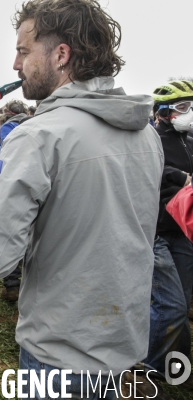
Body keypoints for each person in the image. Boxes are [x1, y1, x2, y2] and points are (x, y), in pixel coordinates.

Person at [0, 0, 163, 398]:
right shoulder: (147, 134)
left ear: (61, 55)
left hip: (59, 355)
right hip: (126, 347)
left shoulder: (36, 136)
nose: (14, 64)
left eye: (23, 51)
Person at [144, 81, 193, 384]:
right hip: (156, 231)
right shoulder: (149, 137)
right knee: (170, 304)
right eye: (184, 107)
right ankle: (146, 368)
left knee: (181, 302)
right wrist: (181, 177)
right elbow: (148, 168)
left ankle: (174, 368)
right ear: (163, 112)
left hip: (183, 230)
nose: (190, 113)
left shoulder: (189, 138)